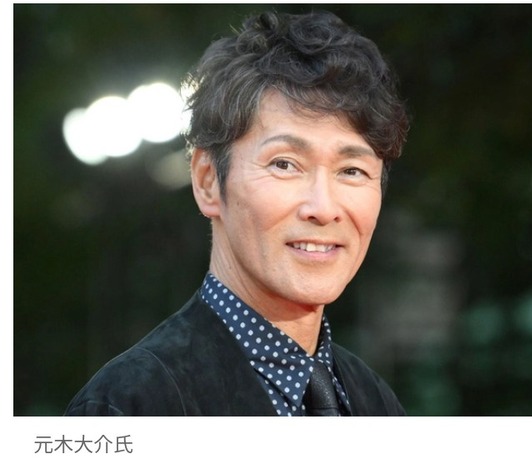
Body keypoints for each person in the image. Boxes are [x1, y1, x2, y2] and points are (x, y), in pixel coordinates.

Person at [65, 9, 409, 416]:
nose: (323, 208)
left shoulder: (376, 403)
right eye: (285, 164)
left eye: (351, 171)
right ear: (208, 181)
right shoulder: (132, 403)